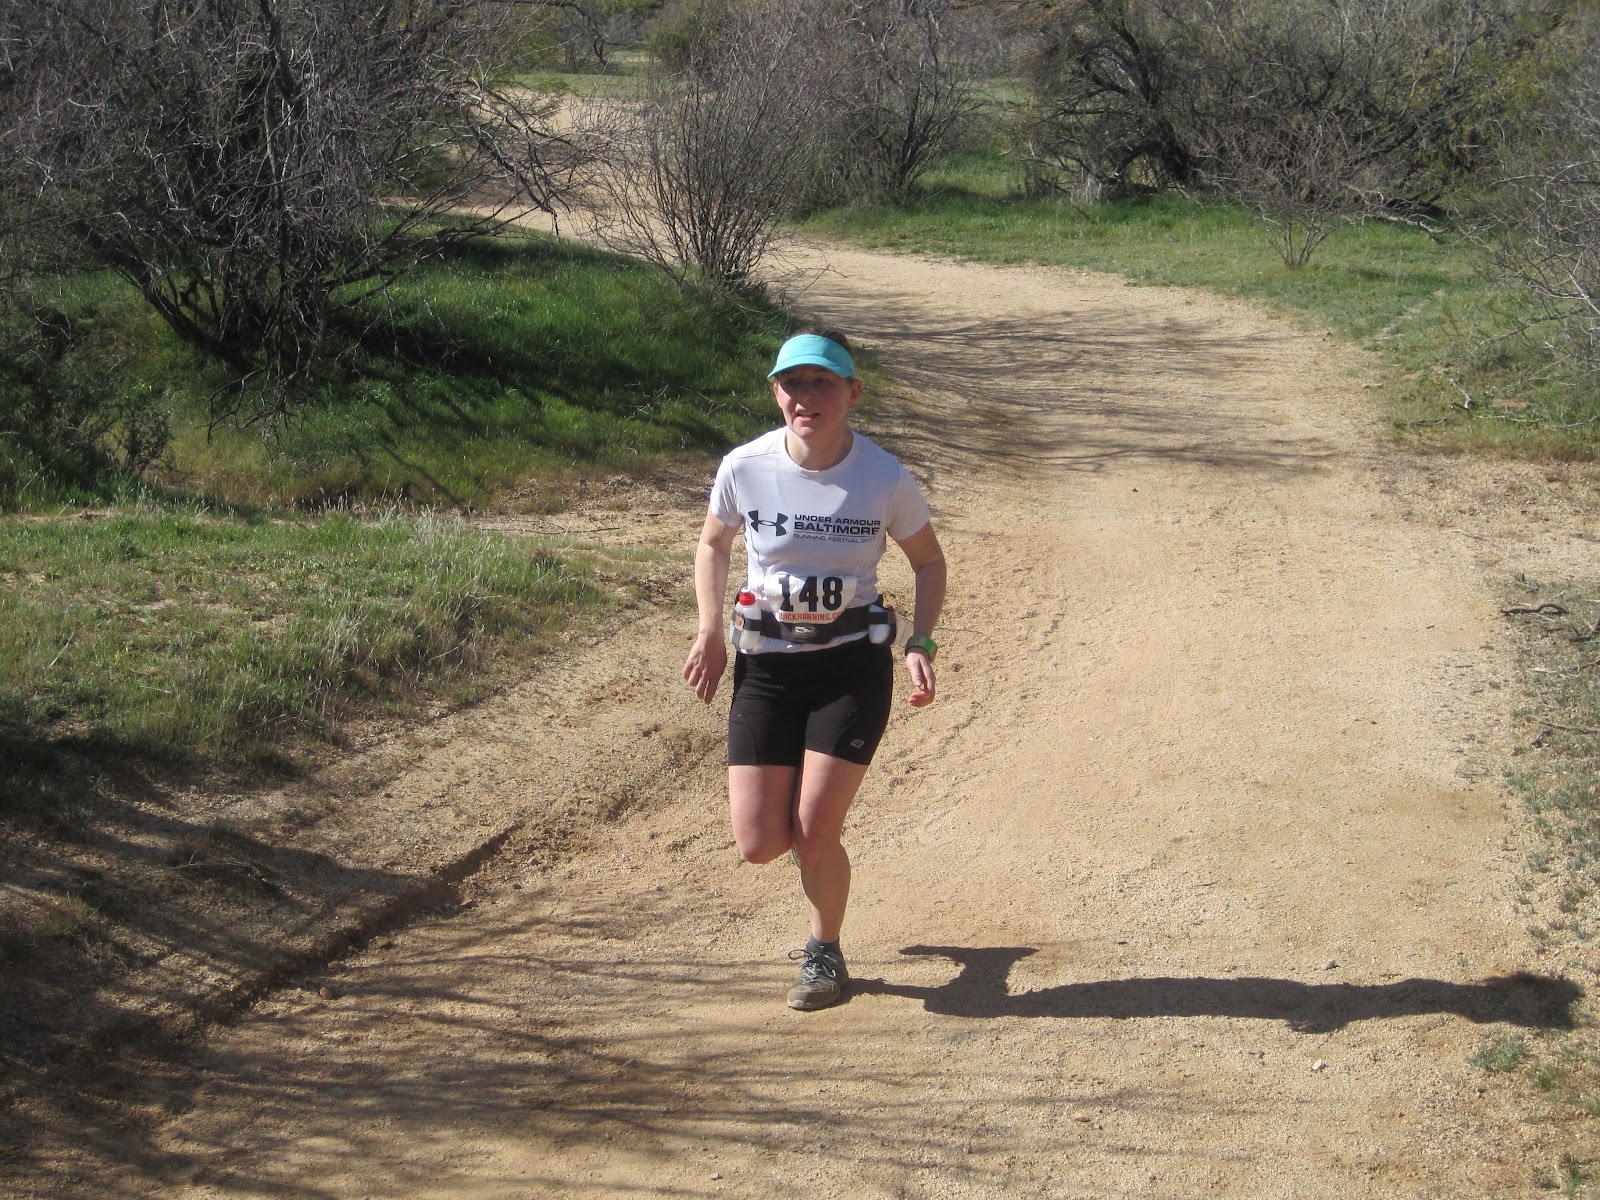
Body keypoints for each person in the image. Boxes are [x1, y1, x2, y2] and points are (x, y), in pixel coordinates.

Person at [682, 329, 946, 1011]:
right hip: (767, 667)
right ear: (776, 392)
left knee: (814, 832)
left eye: (822, 382)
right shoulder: (745, 466)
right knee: (760, 844)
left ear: (852, 392)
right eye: (792, 383)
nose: (806, 397)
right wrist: (710, 628)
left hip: (850, 668)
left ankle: (823, 950)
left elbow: (928, 560)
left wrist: (921, 640)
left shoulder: (883, 477)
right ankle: (803, 799)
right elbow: (713, 545)